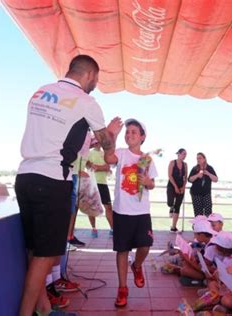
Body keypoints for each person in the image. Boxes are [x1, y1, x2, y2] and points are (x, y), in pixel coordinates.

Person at [15, 55, 121, 316]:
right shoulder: (86, 102)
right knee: (47, 256)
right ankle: (26, 313)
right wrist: (111, 145)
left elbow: (64, 135)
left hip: (25, 176)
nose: (95, 83)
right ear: (89, 75)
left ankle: (44, 307)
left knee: (34, 250)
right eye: (95, 79)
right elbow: (105, 142)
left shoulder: (40, 93)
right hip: (52, 180)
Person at [104, 118, 157, 308]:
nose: (130, 134)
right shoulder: (121, 153)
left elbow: (152, 183)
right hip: (122, 211)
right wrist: (113, 137)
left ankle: (137, 266)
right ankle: (122, 288)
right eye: (128, 131)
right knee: (122, 250)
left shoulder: (146, 159)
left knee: (145, 246)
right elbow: (108, 158)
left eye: (134, 132)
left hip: (142, 212)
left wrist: (147, 182)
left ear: (142, 137)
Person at [86, 137, 114, 237]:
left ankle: (112, 229)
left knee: (109, 207)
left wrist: (98, 167)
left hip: (103, 183)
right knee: (91, 208)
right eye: (96, 141)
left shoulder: (105, 154)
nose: (98, 143)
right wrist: (102, 168)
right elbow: (90, 166)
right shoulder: (88, 153)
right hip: (92, 183)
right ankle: (93, 229)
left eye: (99, 141)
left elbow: (107, 167)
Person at [188, 153, 218, 217]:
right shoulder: (195, 168)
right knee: (198, 213)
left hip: (206, 193)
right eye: (197, 158)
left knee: (208, 212)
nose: (198, 160)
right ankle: (198, 226)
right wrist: (197, 175)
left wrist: (208, 174)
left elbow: (215, 179)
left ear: (204, 159)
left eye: (200, 158)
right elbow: (189, 179)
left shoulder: (209, 168)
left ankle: (207, 226)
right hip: (196, 193)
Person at [167, 148, 187, 233]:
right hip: (172, 185)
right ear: (178, 154)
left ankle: (173, 227)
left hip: (181, 186)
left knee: (177, 206)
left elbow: (185, 177)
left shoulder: (185, 164)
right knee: (170, 202)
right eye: (183, 153)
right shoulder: (172, 162)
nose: (185, 155)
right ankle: (171, 207)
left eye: (185, 154)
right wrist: (175, 186)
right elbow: (170, 176)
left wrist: (183, 187)